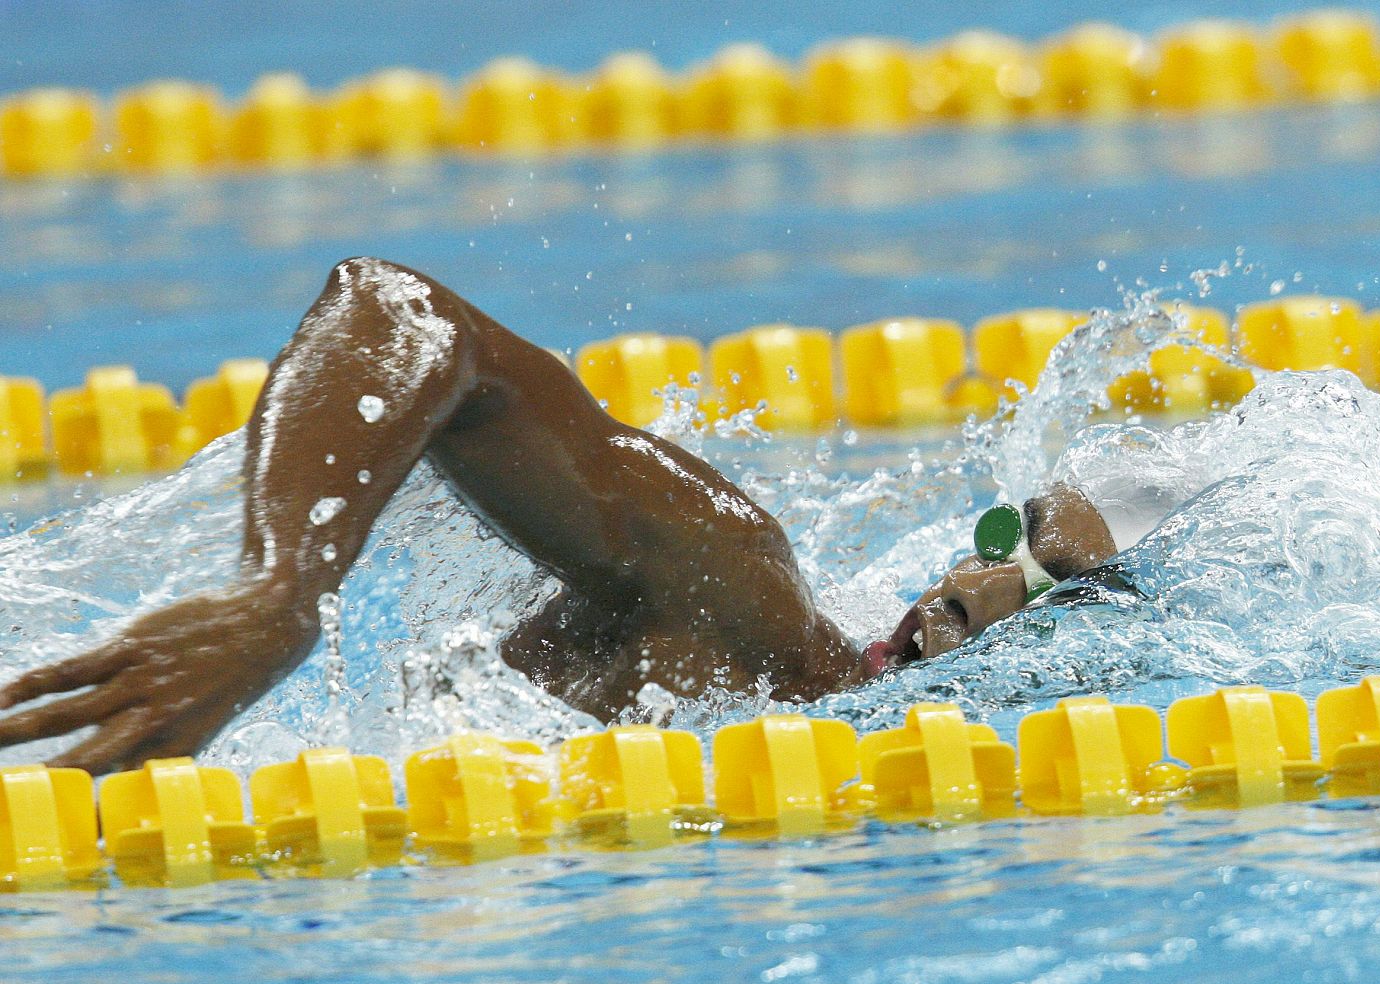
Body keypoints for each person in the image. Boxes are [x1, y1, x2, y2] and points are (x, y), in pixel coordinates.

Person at [0, 258, 1118, 775]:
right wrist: (281, 585)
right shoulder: (738, 587)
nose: (948, 593)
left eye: (980, 620)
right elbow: (400, 309)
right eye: (976, 558)